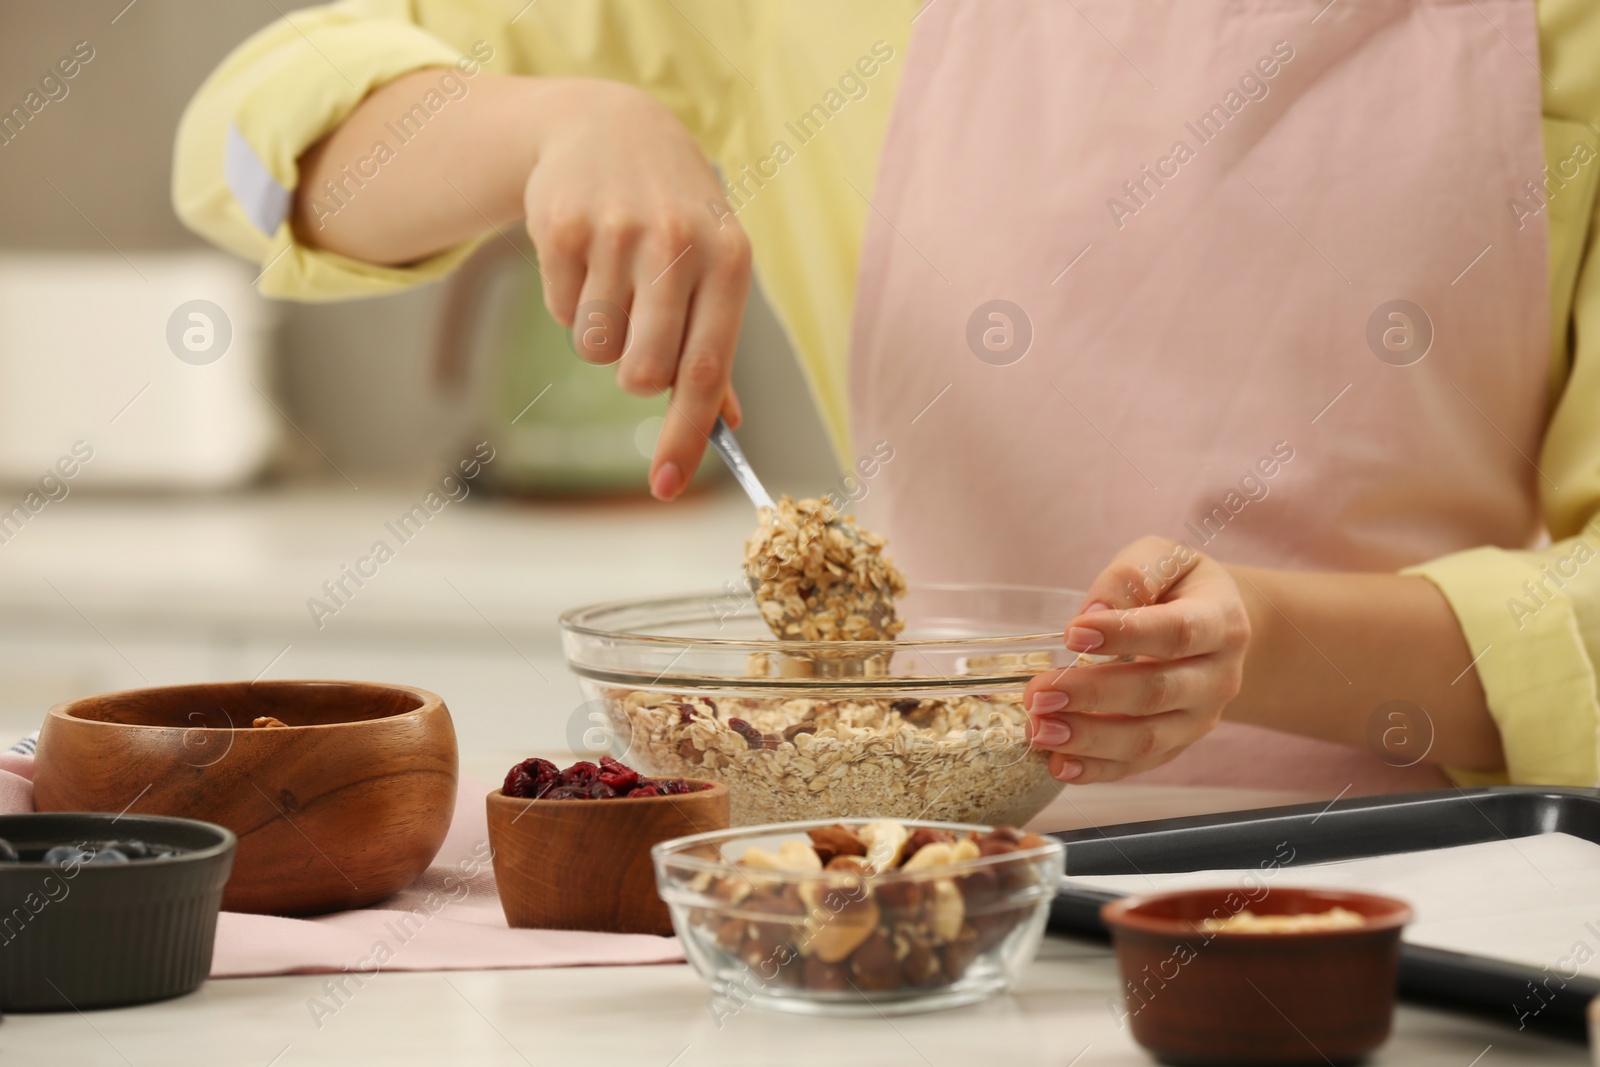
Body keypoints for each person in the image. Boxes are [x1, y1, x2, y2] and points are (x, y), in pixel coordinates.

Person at [174, 0, 1600, 795]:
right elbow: (249, 141)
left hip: (1433, 904)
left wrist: (1264, 643)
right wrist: (558, 122)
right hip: (916, 896)